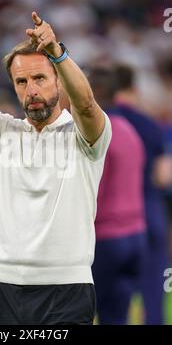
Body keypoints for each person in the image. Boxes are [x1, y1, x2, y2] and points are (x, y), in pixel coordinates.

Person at [0, 5, 112, 325]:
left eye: (40, 78)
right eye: (21, 81)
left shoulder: (84, 136)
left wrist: (57, 52)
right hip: (0, 286)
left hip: (66, 287)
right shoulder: (0, 132)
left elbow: (85, 104)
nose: (31, 89)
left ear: (59, 81)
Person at [87, 67, 147, 324]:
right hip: (135, 235)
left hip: (106, 237)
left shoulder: (102, 134)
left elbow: (94, 192)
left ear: (95, 94)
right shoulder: (129, 129)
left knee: (80, 312)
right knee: (117, 316)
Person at [114, 65, 172, 324]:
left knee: (112, 284)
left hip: (112, 214)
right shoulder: (150, 124)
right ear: (133, 89)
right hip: (149, 209)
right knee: (153, 281)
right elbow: (163, 176)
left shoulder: (101, 122)